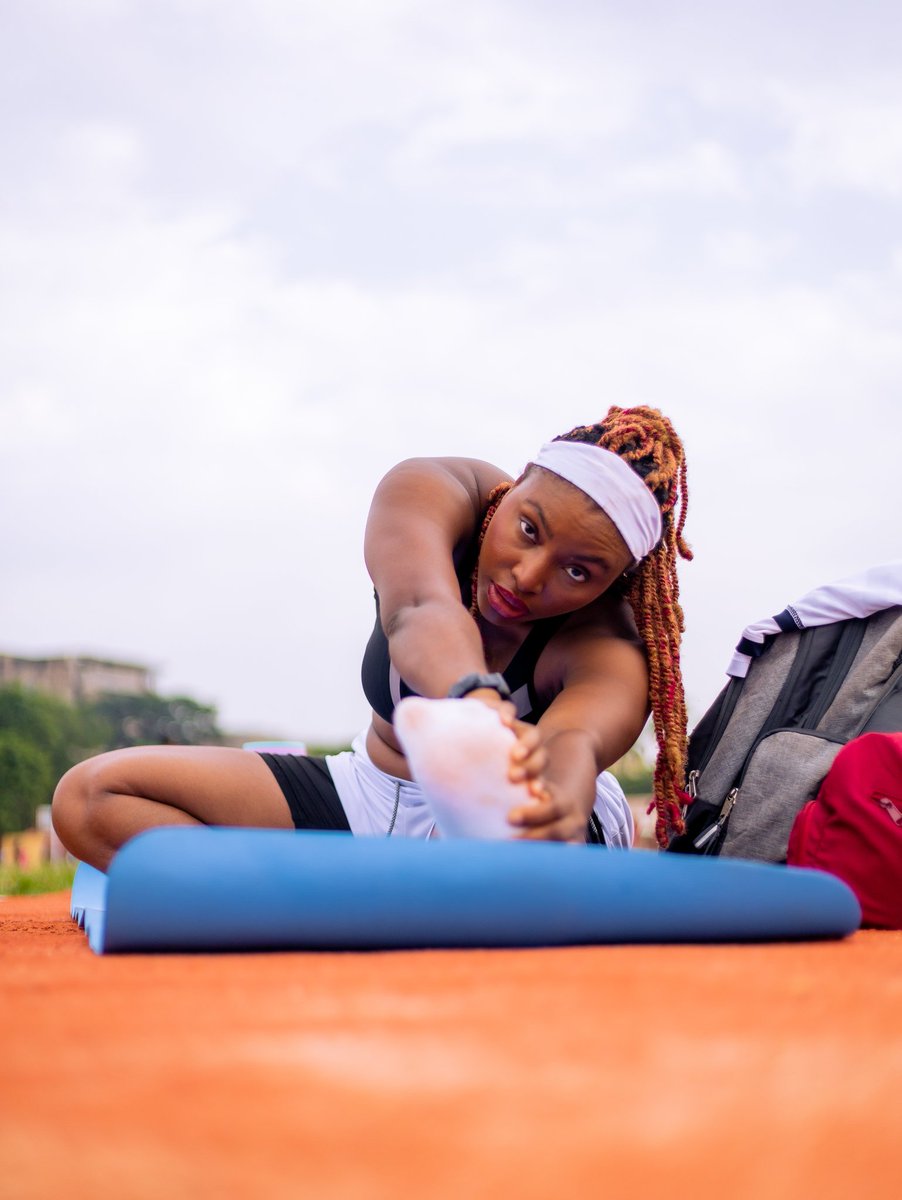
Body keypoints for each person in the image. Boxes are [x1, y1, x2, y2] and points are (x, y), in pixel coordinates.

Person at [52, 405, 692, 870]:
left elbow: (572, 746)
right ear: (519, 482)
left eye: (579, 571)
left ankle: (332, 902)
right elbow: (417, 609)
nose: (529, 577)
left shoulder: (609, 645)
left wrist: (553, 796)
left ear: (616, 582)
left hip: (510, 837)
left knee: (506, 854)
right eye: (529, 529)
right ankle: (351, 898)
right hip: (368, 795)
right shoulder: (434, 492)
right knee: (92, 798)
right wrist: (472, 698)